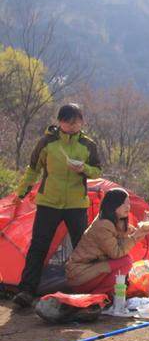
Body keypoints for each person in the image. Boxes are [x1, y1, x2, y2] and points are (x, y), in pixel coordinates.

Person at [12, 104, 102, 308]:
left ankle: (86, 290)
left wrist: (84, 169)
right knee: (39, 245)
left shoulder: (88, 145)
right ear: (60, 121)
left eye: (76, 122)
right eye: (68, 122)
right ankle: (26, 291)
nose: (72, 126)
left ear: (82, 122)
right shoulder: (47, 142)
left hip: (76, 203)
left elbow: (97, 170)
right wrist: (21, 193)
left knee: (82, 247)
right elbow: (33, 169)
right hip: (49, 202)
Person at [65, 188, 149, 295]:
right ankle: (99, 295)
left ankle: (107, 294)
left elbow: (132, 235)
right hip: (80, 275)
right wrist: (137, 235)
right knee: (125, 261)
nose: (128, 207)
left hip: (91, 271)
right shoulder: (103, 225)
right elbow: (116, 252)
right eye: (123, 204)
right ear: (113, 205)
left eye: (129, 203)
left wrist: (143, 229)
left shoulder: (117, 221)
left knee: (125, 260)